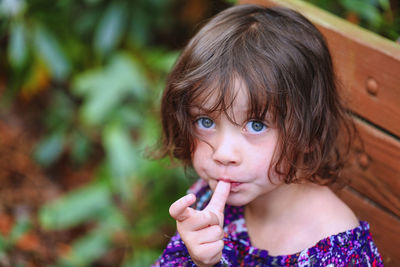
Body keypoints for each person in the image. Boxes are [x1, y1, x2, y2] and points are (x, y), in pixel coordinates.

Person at [152, 4, 383, 267]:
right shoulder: (213, 198)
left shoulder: (334, 250)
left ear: (308, 131)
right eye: (205, 121)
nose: (223, 153)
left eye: (256, 125)